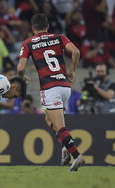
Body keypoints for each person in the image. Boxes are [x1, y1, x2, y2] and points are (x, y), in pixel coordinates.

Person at [17, 13, 84, 171]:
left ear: (33, 28)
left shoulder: (28, 43)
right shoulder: (59, 37)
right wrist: (72, 70)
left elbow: (20, 68)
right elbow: (76, 52)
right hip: (65, 86)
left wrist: (22, 77)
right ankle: (65, 150)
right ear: (47, 26)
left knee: (59, 126)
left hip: (50, 87)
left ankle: (77, 156)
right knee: (49, 120)